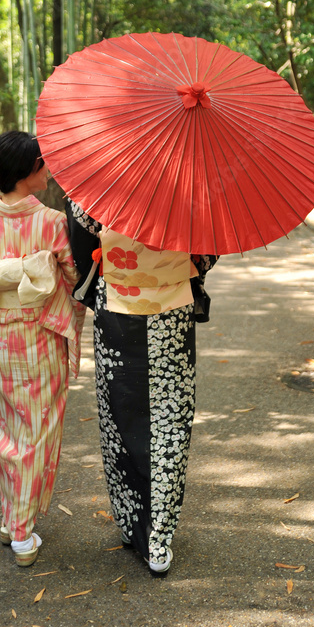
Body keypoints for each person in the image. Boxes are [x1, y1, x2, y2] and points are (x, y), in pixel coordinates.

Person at [0, 132, 84, 566]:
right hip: (38, 338)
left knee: (7, 431)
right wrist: (45, 283)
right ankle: (23, 535)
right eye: (42, 163)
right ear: (27, 173)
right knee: (35, 435)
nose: (47, 170)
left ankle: (11, 517)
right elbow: (73, 278)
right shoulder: (51, 222)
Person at [66, 200, 217, 575]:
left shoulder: (101, 185)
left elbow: (81, 248)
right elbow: (207, 253)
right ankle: (159, 536)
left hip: (116, 304)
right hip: (173, 308)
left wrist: (103, 269)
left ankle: (133, 523)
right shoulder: (196, 186)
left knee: (121, 412)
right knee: (170, 416)